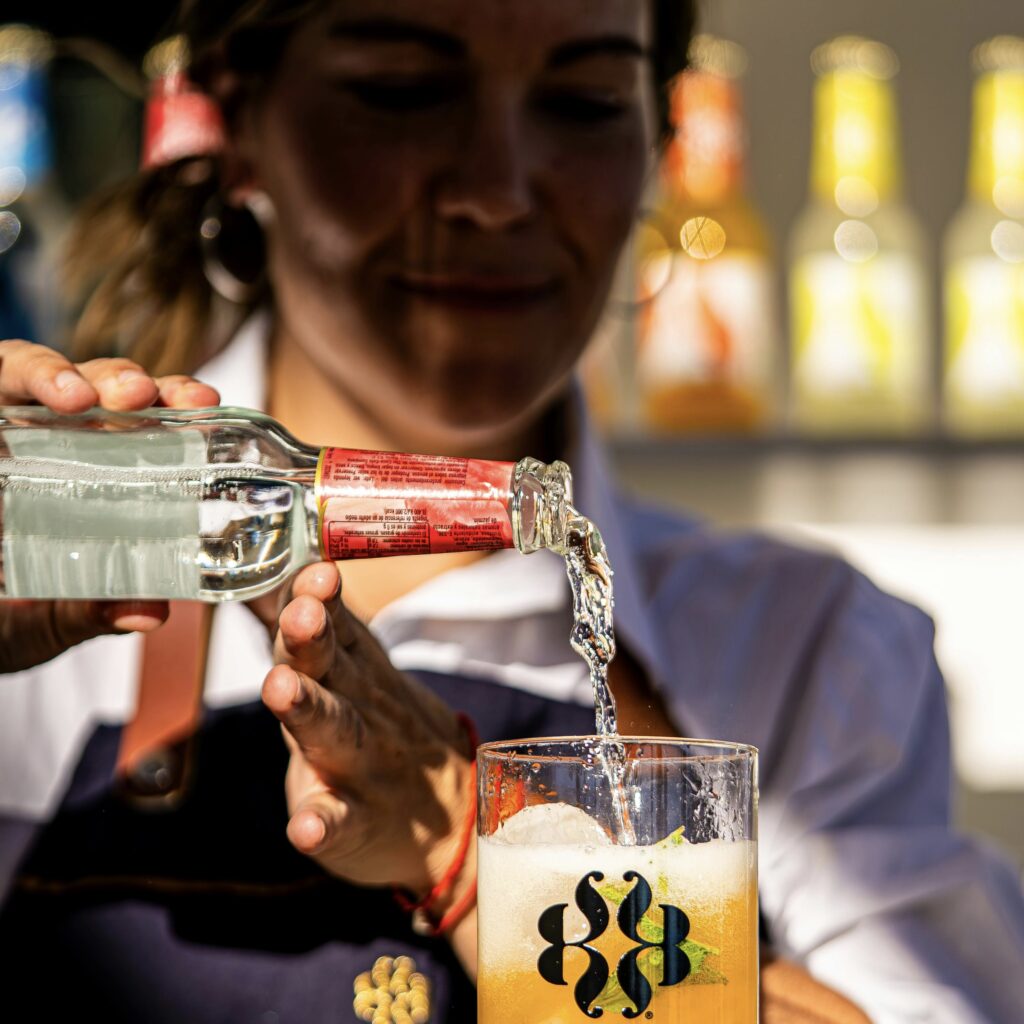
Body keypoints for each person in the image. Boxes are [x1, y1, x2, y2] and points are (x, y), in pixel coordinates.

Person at [1, 1, 1022, 1021]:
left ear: (656, 144)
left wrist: (465, 836)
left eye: (582, 102)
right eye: (403, 93)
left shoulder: (800, 651)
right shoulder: (68, 559)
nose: (496, 192)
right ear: (238, 121)